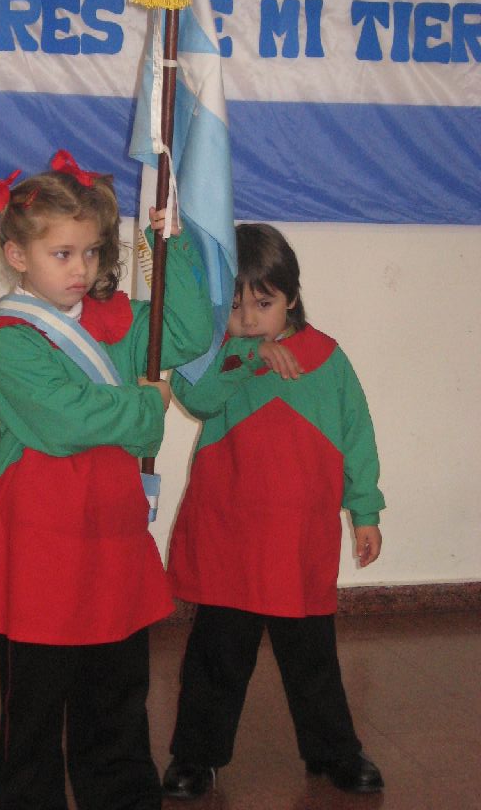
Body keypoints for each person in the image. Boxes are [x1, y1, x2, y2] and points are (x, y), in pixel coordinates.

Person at [0, 149, 213, 810]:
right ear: (17, 255)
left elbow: (186, 332)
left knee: (117, 697)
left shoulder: (115, 317)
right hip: (42, 543)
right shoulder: (8, 339)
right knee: (35, 709)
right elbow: (65, 421)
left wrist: (168, 246)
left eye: (91, 252)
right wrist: (146, 407)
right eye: (62, 254)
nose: (81, 269)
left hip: (111, 533)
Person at [161, 223, 385, 800]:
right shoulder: (219, 358)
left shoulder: (327, 358)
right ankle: (196, 757)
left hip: (297, 541)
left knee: (312, 659)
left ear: (291, 297)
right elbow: (194, 397)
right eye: (235, 307)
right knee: (217, 656)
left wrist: (365, 511)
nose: (249, 318)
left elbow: (356, 436)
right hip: (231, 535)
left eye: (263, 304)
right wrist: (245, 354)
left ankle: (334, 751)